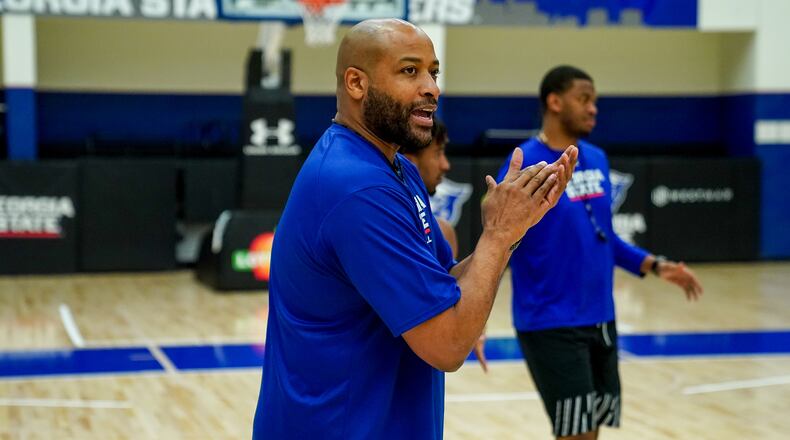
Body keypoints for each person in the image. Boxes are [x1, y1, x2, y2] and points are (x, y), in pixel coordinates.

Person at [252, 19, 578, 440]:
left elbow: (445, 284)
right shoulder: (358, 187)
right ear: (356, 83)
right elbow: (448, 344)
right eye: (410, 71)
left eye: (433, 73)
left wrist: (515, 228)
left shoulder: (396, 169)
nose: (432, 88)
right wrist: (498, 235)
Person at [494, 65, 704, 440]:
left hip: (601, 317)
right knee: (575, 433)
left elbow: (604, 237)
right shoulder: (524, 163)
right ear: (554, 102)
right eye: (584, 99)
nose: (593, 108)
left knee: (591, 431)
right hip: (550, 323)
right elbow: (497, 242)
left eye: (594, 100)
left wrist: (656, 266)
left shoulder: (597, 158)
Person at [400, 119, 488, 371]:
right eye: (438, 153)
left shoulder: (442, 232)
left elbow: (454, 295)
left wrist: (475, 326)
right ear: (409, 161)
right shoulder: (382, 220)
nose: (446, 164)